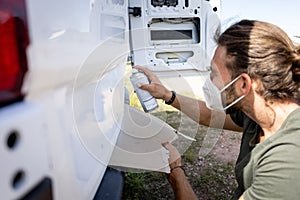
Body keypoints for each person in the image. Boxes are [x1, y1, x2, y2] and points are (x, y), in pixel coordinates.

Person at [134, 19, 300, 199]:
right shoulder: (261, 110)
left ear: (243, 84)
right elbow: (209, 116)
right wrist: (167, 95)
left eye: (213, 73)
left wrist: (175, 171)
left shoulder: (287, 162)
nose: (210, 81)